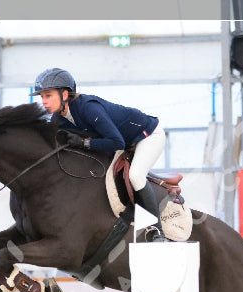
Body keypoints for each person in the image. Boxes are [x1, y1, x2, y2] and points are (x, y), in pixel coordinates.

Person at [31, 67, 173, 242]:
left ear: (65, 94)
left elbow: (116, 142)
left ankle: (157, 231)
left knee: (136, 176)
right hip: (124, 142)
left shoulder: (89, 108)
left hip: (147, 136)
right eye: (42, 97)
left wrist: (84, 143)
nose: (43, 101)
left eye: (48, 95)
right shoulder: (58, 119)